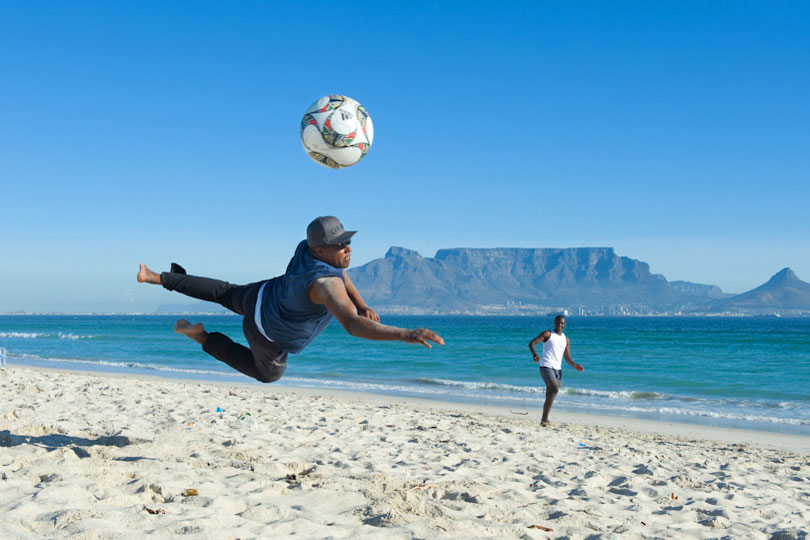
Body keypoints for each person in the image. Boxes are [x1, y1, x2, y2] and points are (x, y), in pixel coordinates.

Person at [137, 216, 444, 383]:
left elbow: (341, 273)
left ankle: (156, 277)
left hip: (261, 295)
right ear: (322, 250)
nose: (347, 248)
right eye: (340, 245)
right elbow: (351, 324)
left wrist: (362, 303)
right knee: (266, 374)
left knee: (223, 292)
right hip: (265, 334)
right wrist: (407, 334)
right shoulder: (325, 285)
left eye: (347, 240)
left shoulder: (308, 248)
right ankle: (202, 336)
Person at [528, 315, 584, 426]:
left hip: (558, 370)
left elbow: (567, 357)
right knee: (554, 388)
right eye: (558, 322)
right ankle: (544, 419)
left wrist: (574, 365)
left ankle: (544, 419)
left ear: (564, 324)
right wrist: (534, 354)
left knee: (551, 393)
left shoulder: (566, 339)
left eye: (562, 323)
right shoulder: (548, 334)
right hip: (546, 366)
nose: (560, 325)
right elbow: (532, 343)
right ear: (554, 323)